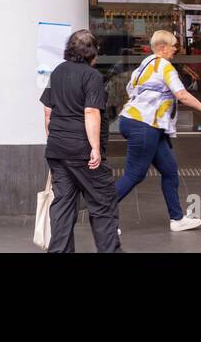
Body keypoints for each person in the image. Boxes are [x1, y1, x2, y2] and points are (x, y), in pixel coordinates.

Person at [114, 29, 201, 232]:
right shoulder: (165, 66)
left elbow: (129, 90)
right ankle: (102, 214)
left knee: (169, 170)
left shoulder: (143, 66)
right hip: (144, 125)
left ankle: (177, 219)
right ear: (162, 48)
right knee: (135, 174)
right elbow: (182, 95)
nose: (176, 49)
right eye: (173, 46)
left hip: (143, 124)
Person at [40, 30, 120, 253]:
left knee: (63, 206)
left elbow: (48, 109)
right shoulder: (91, 75)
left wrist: (55, 137)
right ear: (92, 52)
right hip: (82, 150)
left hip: (57, 149)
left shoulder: (57, 72)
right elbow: (91, 112)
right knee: (102, 202)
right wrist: (95, 148)